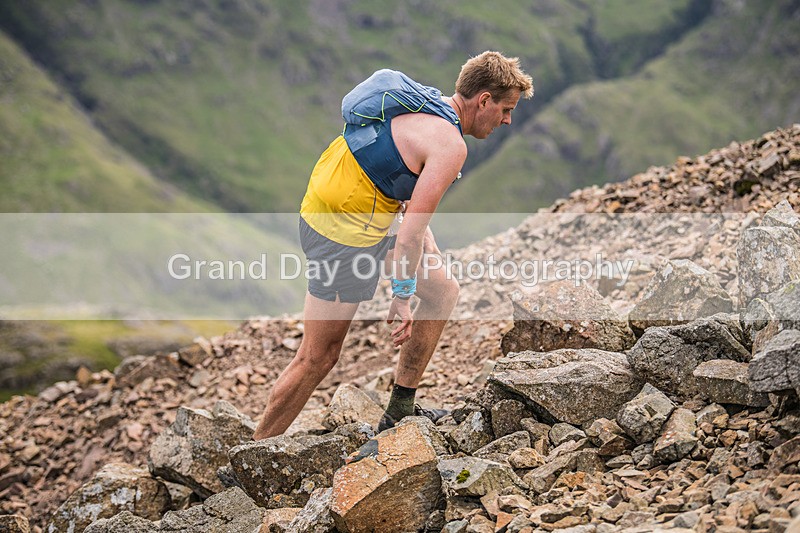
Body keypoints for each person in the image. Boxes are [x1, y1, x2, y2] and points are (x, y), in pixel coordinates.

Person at [253, 51, 533, 439]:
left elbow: (404, 192)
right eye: (505, 109)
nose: (507, 120)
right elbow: (410, 234)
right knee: (318, 356)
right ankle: (251, 454)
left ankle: (400, 408)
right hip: (343, 235)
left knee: (442, 290)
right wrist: (401, 295)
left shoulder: (428, 107)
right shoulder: (451, 145)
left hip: (340, 205)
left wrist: (424, 257)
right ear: (483, 100)